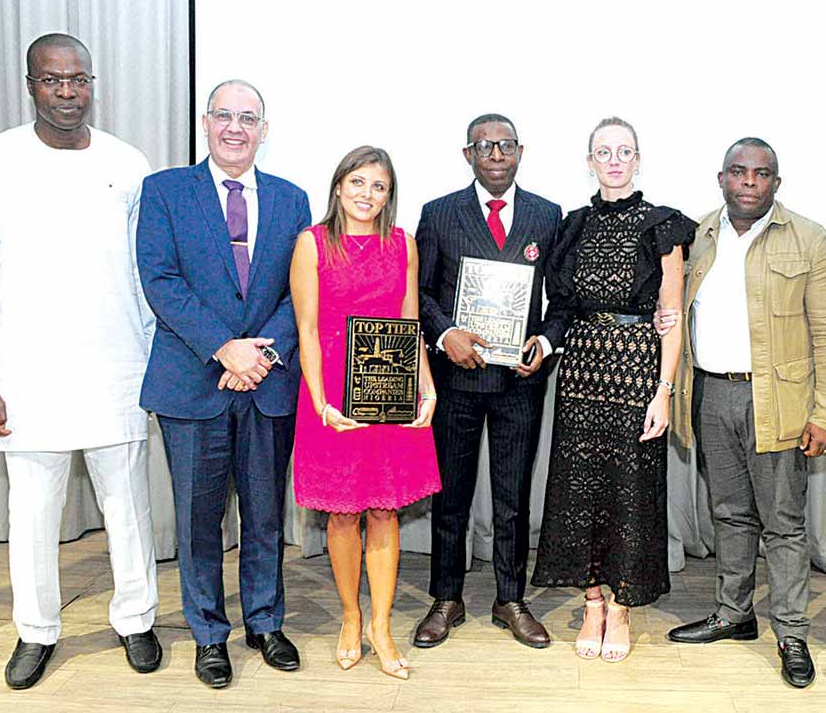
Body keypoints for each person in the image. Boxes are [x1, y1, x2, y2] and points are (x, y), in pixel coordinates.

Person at [0, 33, 161, 690]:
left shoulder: (128, 163)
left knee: (127, 505)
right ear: (30, 86)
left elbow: (144, 275)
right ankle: (37, 630)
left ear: (92, 83)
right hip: (27, 371)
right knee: (33, 514)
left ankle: (136, 619)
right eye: (52, 80)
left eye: (78, 79)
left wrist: (153, 361)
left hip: (117, 363)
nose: (67, 92)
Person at [137, 79, 310, 688]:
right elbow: (160, 281)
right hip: (192, 384)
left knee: (265, 516)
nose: (235, 128)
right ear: (206, 122)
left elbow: (300, 290)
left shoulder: (292, 199)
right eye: (224, 116)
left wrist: (261, 353)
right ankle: (209, 633)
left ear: (264, 130)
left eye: (248, 118)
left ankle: (265, 622)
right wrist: (224, 348)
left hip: (267, 382)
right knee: (198, 520)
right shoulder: (164, 191)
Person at [664, 138, 826, 689]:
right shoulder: (697, 235)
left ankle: (791, 633)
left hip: (779, 400)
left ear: (776, 182)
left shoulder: (810, 239)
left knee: (784, 524)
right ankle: (733, 612)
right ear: (721, 178)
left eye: (761, 173)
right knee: (729, 513)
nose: (749, 181)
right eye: (739, 172)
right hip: (710, 393)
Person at [531, 118, 694, 662]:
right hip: (581, 372)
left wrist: (663, 391)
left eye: (625, 151)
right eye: (604, 152)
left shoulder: (662, 225)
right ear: (590, 162)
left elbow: (671, 315)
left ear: (638, 160)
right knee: (579, 492)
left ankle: (622, 608)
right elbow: (561, 305)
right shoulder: (572, 226)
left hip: (637, 372)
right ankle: (592, 603)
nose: (615, 161)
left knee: (630, 493)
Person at [412, 114, 566, 649]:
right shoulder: (438, 213)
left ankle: (510, 598)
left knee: (513, 499)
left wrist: (544, 342)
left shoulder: (547, 215)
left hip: (519, 382)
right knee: (451, 497)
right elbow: (420, 292)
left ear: (520, 152)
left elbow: (562, 299)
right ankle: (445, 598)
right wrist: (445, 332)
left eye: (505, 145)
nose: (496, 154)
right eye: (485, 146)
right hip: (456, 379)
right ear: (468, 154)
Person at [290, 146, 440, 679]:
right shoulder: (312, 243)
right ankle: (351, 617)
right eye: (357, 182)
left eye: (378, 186)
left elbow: (409, 322)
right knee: (342, 512)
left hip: (389, 390)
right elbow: (307, 330)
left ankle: (381, 626)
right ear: (338, 186)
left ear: (388, 195)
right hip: (332, 392)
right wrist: (320, 402)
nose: (366, 194)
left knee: (383, 510)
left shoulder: (403, 244)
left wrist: (427, 388)